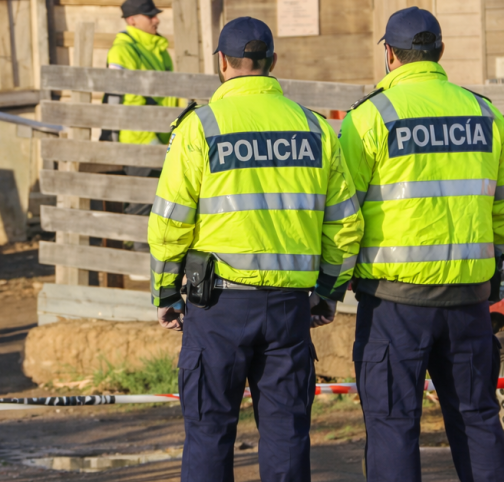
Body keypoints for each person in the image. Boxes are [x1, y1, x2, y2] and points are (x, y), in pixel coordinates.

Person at [150, 17, 364, 481]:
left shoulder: (199, 128)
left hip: (218, 310)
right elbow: (346, 225)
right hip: (290, 311)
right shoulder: (315, 129)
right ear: (273, 63)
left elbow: (170, 223)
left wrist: (167, 293)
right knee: (287, 435)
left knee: (209, 433)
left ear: (222, 63)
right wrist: (328, 290)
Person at [338, 7, 504, 481]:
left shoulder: (369, 118)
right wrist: (500, 260)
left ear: (389, 54)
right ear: (440, 51)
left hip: (393, 305)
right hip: (468, 300)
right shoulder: (484, 113)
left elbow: (342, 212)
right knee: (478, 418)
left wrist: (331, 282)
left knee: (394, 426)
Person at [107, 0, 180, 267]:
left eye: (155, 15)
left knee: (162, 200)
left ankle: (151, 257)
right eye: (149, 15)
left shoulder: (160, 49)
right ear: (131, 20)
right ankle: (136, 258)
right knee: (140, 198)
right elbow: (120, 97)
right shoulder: (123, 48)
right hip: (137, 137)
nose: (156, 20)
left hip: (164, 136)